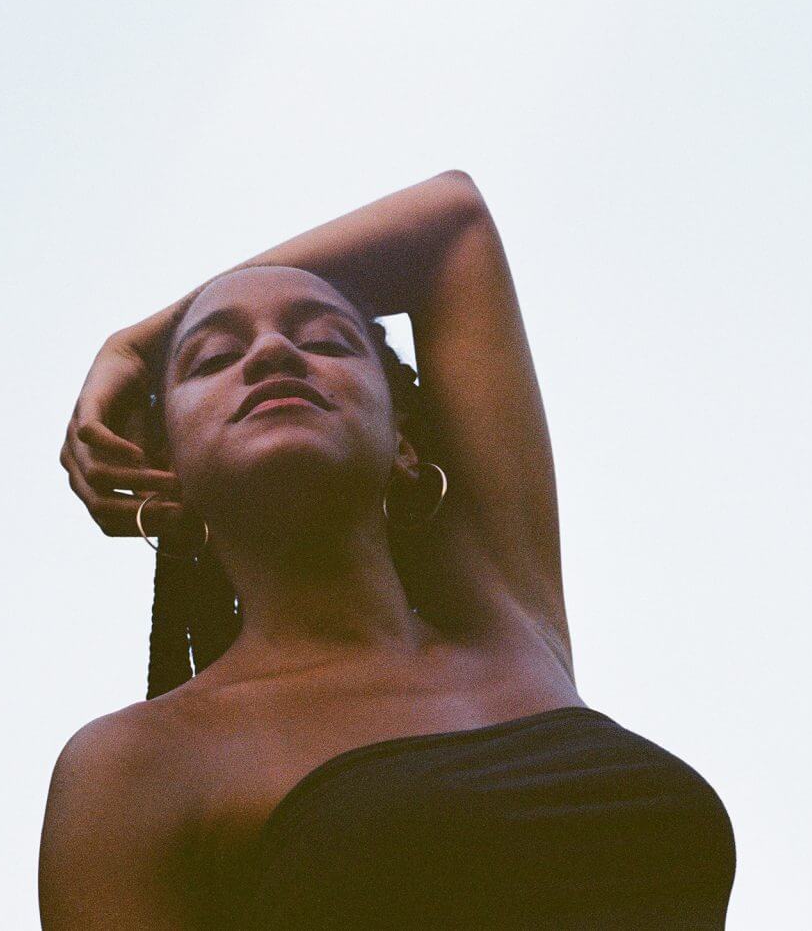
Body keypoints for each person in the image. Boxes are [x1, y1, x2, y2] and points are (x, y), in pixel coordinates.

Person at [41, 170, 736, 929]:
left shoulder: (508, 622)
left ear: (403, 442)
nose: (273, 352)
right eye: (210, 360)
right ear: (164, 470)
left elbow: (451, 223)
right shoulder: (136, 766)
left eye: (324, 339)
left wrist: (138, 345)